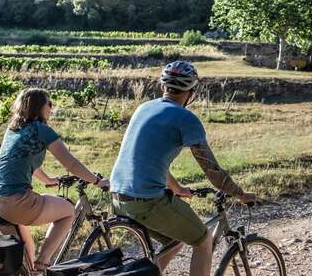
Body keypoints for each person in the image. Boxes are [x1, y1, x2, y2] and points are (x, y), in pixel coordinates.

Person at [110, 61, 258, 276]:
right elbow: (212, 170)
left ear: (163, 87)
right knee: (203, 240)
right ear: (191, 93)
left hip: (117, 197)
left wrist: (176, 187)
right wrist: (240, 194)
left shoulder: (144, 108)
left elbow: (147, 159)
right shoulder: (186, 119)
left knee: (174, 241)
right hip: (147, 201)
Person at [0, 88, 109, 273]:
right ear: (39, 107)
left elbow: (25, 161)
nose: (51, 107)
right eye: (49, 103)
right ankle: (44, 265)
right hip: (15, 201)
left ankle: (34, 269)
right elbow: (72, 164)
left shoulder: (14, 129)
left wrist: (48, 180)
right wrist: (97, 181)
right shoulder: (42, 130)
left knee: (26, 257)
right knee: (67, 211)